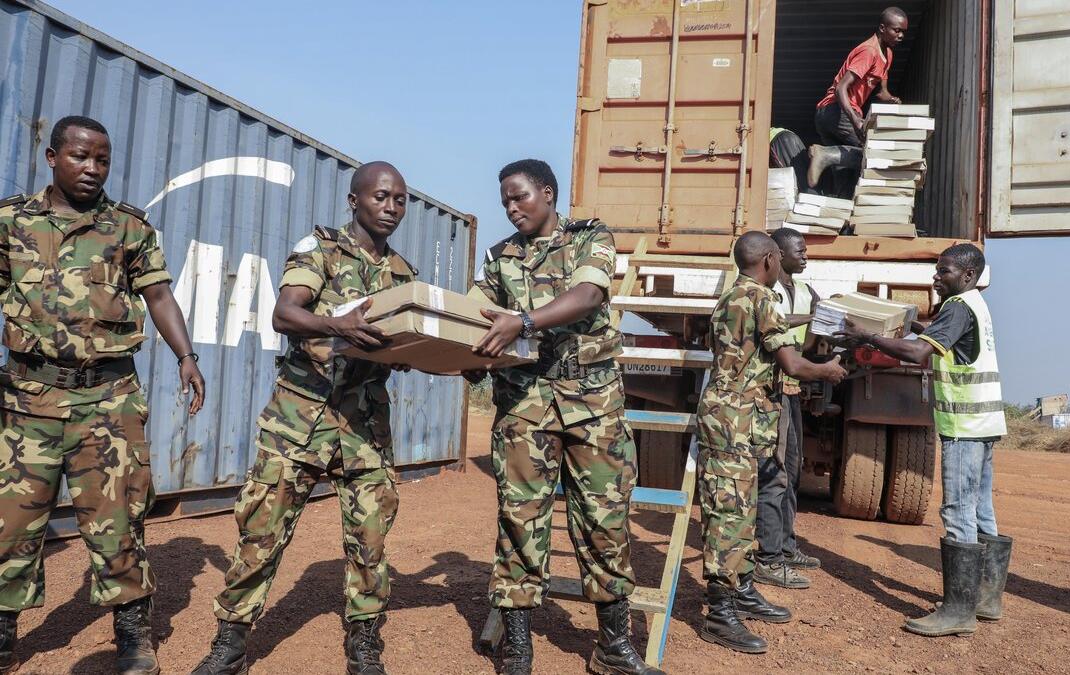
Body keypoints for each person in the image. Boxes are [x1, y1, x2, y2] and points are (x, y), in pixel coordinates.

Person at [0, 115, 206, 675]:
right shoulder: (10, 221)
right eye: (80, 157)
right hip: (26, 400)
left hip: (108, 402)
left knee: (119, 521)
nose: (92, 169)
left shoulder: (128, 228)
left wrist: (186, 357)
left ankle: (133, 639)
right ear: (52, 157)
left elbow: (159, 295)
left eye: (103, 160)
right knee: (11, 525)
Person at [191, 162, 415, 675]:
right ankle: (230, 644)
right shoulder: (322, 251)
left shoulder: (404, 275)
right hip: (299, 418)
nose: (391, 207)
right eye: (381, 196)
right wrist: (333, 325)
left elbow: (403, 341)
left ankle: (364, 642)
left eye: (400, 199)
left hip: (364, 426)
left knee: (371, 539)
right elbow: (285, 313)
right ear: (353, 200)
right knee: (262, 532)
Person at [467, 159, 659, 675]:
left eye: (520, 197)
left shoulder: (589, 238)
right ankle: (517, 646)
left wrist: (523, 321)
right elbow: (472, 315)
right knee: (520, 519)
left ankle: (613, 647)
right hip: (524, 408)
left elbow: (589, 294)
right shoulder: (498, 258)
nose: (511, 208)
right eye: (505, 200)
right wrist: (459, 352)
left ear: (547, 194)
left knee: (604, 521)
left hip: (593, 406)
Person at [838, 243, 1012, 638]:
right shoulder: (975, 305)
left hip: (963, 428)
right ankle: (986, 600)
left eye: (944, 271)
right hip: (983, 424)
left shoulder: (957, 308)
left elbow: (918, 354)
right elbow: (937, 341)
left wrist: (868, 337)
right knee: (982, 509)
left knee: (957, 511)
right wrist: (913, 326)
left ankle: (958, 610)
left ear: (967, 275)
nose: (936, 276)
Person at [697, 231, 846, 655]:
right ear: (768, 258)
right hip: (733, 423)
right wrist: (828, 371)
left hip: (735, 419)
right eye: (780, 257)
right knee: (728, 515)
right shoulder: (761, 299)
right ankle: (719, 613)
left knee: (741, 509)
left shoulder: (733, 297)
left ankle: (741, 589)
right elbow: (792, 363)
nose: (782, 264)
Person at [753, 228, 823, 591]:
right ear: (776, 254)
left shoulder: (807, 292)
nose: (805, 255)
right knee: (775, 472)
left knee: (792, 470)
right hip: (775, 388)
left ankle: (786, 545)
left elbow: (810, 340)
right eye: (800, 249)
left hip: (793, 390)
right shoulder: (763, 293)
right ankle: (770, 555)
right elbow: (776, 331)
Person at [807, 6, 907, 196]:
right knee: (874, 153)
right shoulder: (869, 51)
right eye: (897, 30)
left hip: (832, 115)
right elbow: (840, 88)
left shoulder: (888, 54)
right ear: (882, 28)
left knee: (843, 175)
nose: (901, 35)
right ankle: (825, 154)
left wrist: (893, 100)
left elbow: (881, 93)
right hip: (836, 112)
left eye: (903, 32)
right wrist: (854, 119)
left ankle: (841, 220)